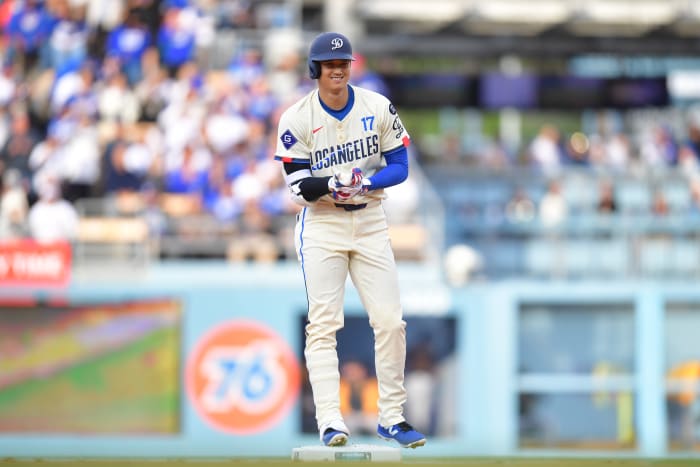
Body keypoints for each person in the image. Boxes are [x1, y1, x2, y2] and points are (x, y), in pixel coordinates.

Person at [274, 32, 426, 449]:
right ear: (315, 69)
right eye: (329, 63)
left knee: (391, 321)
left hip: (371, 218)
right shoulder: (297, 117)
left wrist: (365, 181)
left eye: (343, 62)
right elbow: (298, 185)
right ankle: (330, 421)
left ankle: (392, 417)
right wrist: (334, 184)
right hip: (322, 222)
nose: (337, 69)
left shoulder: (376, 106)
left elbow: (399, 165)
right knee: (323, 325)